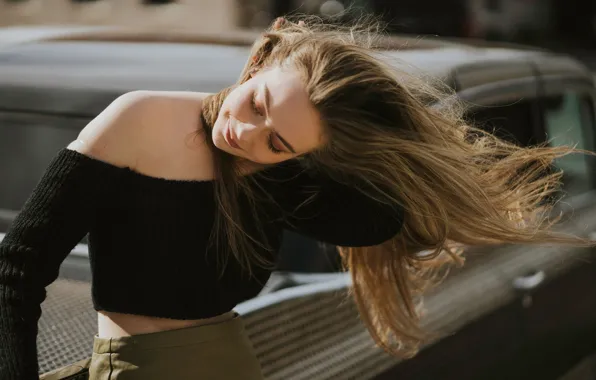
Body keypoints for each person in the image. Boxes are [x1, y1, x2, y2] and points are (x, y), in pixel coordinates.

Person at [0, 17, 590, 379]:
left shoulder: (277, 177)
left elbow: (383, 223)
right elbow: (18, 269)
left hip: (233, 365)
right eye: (256, 103)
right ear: (259, 60)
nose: (246, 134)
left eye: (277, 141)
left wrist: (302, 159)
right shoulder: (139, 118)